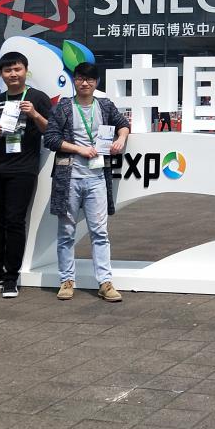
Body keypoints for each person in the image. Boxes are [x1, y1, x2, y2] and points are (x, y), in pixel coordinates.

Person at [44, 62, 130, 302]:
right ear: (74, 80)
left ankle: (105, 282)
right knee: (66, 232)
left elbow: (123, 124)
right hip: (68, 177)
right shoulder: (63, 107)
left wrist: (121, 138)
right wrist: (79, 149)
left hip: (97, 178)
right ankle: (66, 280)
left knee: (100, 232)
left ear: (96, 82)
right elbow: (50, 139)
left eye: (90, 79)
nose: (85, 83)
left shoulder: (104, 105)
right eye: (80, 78)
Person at [0, 52, 53, 299]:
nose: (13, 74)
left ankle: (11, 277)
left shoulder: (38, 98)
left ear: (26, 71)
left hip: (23, 170)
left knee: (15, 222)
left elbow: (52, 130)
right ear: (1, 74)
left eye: (17, 69)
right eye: (7, 70)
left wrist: (34, 114)